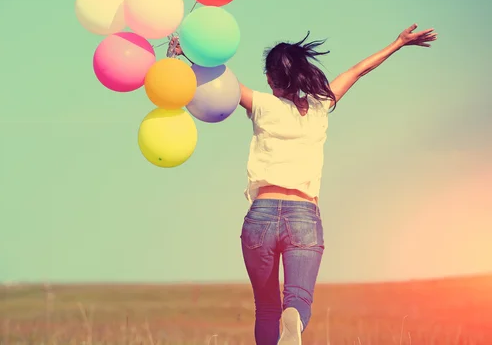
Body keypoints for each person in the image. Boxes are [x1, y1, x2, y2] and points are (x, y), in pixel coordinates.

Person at [173, 23, 436, 344]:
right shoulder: (319, 107)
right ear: (300, 74)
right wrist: (398, 43)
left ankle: (285, 322)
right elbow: (357, 71)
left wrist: (182, 56)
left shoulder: (261, 104)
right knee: (297, 299)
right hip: (303, 215)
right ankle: (294, 316)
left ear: (270, 78)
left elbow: (220, 81)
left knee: (266, 308)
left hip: (261, 216)